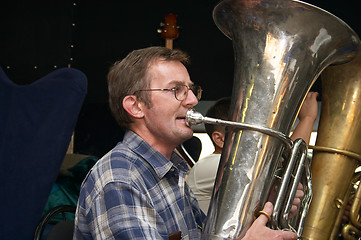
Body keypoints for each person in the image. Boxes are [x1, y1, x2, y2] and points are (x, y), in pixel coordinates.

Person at [73, 46, 298, 240]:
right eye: (176, 90)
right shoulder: (119, 179)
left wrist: (263, 206)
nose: (192, 100)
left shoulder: (172, 170)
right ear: (135, 106)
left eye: (191, 90)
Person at [187, 92, 318, 214]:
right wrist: (307, 118)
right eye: (250, 134)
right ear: (220, 139)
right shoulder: (211, 165)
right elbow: (282, 171)